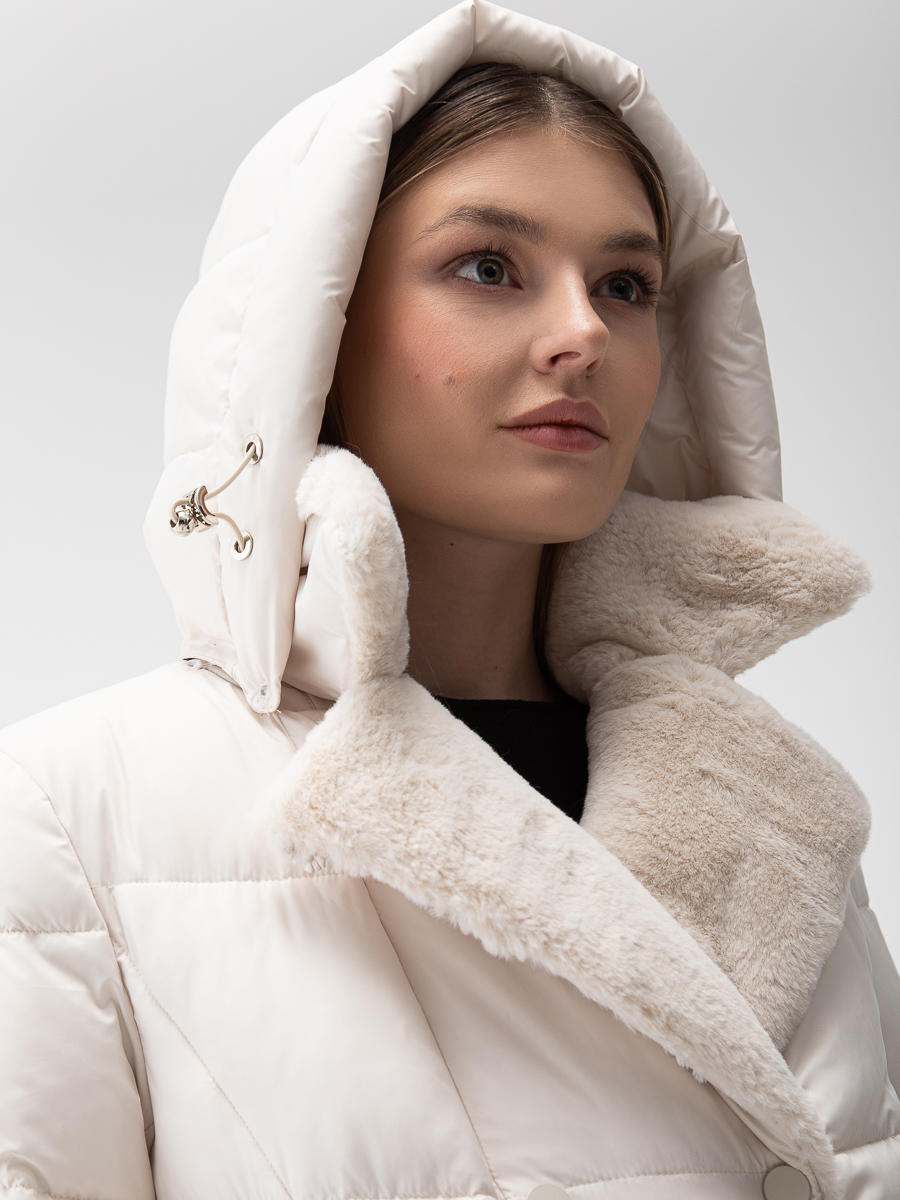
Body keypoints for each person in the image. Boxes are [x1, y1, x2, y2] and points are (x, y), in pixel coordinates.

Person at [1, 3, 898, 1198]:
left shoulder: (772, 803)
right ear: (318, 329)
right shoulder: (70, 814)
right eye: (488, 267)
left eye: (626, 284)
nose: (582, 332)